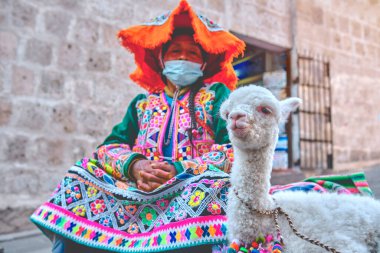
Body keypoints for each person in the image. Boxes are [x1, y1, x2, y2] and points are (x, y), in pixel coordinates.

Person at [31, 1, 373, 252]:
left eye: (192, 52)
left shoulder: (218, 97)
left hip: (192, 188)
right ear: (161, 59)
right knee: (78, 175)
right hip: (141, 190)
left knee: (222, 191)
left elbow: (233, 150)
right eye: (175, 51)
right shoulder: (141, 105)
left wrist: (179, 168)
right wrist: (135, 166)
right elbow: (109, 147)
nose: (183, 57)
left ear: (205, 60)